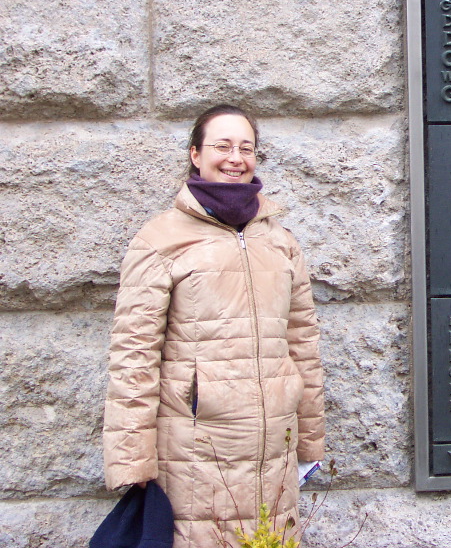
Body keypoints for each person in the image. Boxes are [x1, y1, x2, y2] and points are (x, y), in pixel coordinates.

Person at [102, 104, 325, 547]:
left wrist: (311, 444)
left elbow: (302, 344)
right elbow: (134, 354)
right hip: (197, 450)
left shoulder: (279, 241)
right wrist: (132, 462)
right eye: (222, 146)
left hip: (273, 447)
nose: (235, 157)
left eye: (246, 147)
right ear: (195, 154)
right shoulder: (161, 239)